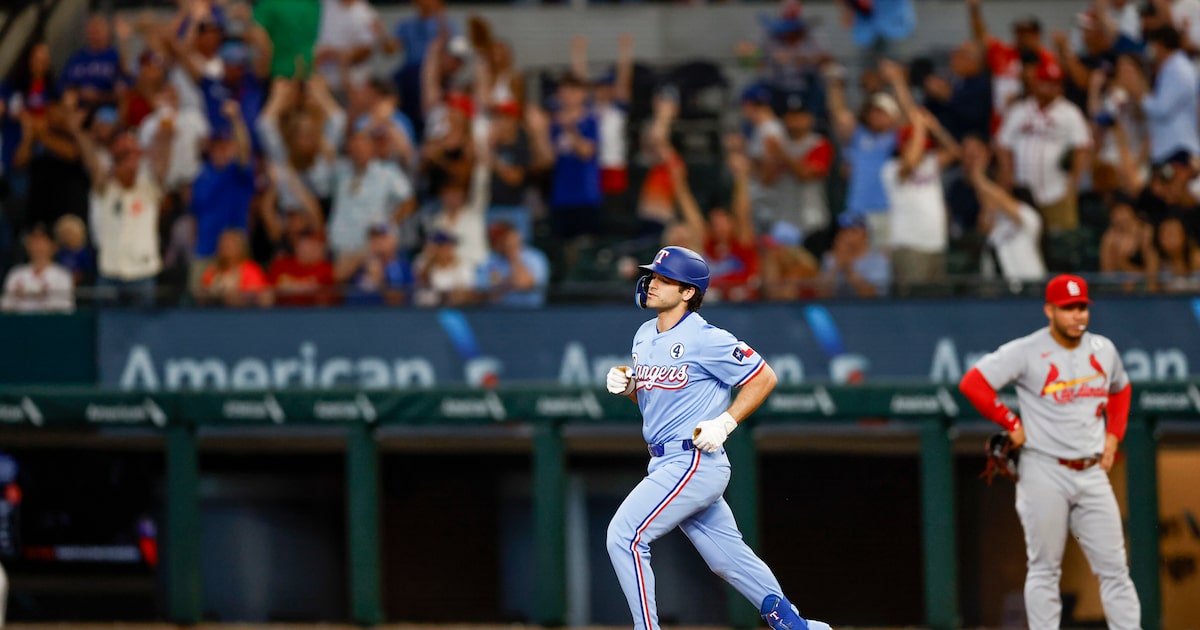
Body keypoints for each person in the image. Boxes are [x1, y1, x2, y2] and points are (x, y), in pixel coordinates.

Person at [604, 245, 831, 630]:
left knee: (623, 536)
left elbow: (764, 377)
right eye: (654, 276)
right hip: (663, 458)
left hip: (692, 458)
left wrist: (725, 421)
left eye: (664, 278)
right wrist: (630, 387)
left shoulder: (706, 337)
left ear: (688, 292)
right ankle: (796, 626)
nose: (652, 283)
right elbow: (656, 400)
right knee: (727, 558)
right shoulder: (644, 334)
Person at [958, 274, 1140, 630]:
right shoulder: (1027, 350)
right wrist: (1010, 420)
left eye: (1082, 307)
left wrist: (1114, 436)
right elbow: (973, 383)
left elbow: (1121, 389)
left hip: (1090, 470)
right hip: (1044, 468)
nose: (1077, 315)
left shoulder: (1103, 349)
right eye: (1068, 308)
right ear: (1049, 310)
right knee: (1044, 567)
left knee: (1116, 569)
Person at [1, 224, 74, 313]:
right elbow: (5, 306)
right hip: (19, 324)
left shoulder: (62, 275)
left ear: (53, 246)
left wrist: (41, 297)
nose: (37, 246)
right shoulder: (16, 273)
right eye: (33, 241)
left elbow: (65, 308)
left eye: (42, 241)